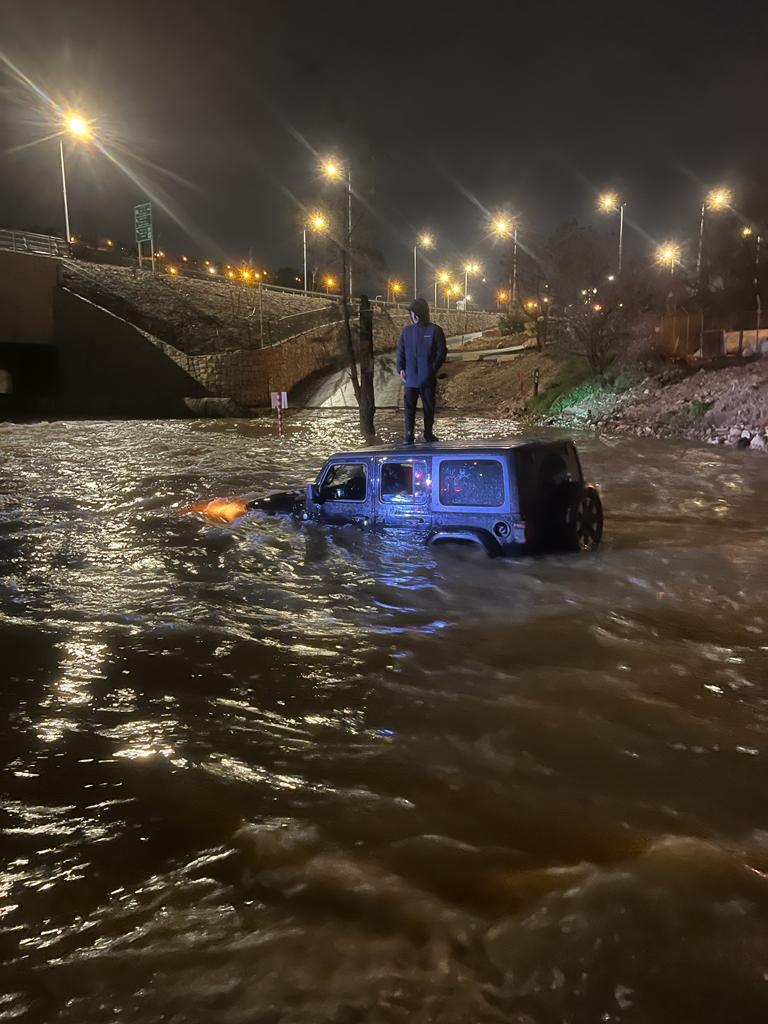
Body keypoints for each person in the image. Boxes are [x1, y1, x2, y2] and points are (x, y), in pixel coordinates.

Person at [395, 298, 448, 444]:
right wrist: (400, 369)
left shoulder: (435, 330)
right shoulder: (407, 332)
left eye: (415, 313)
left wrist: (432, 368)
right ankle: (408, 435)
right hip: (410, 379)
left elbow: (441, 352)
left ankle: (428, 434)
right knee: (409, 409)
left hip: (427, 379)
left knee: (429, 408)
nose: (413, 316)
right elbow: (401, 351)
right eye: (412, 313)